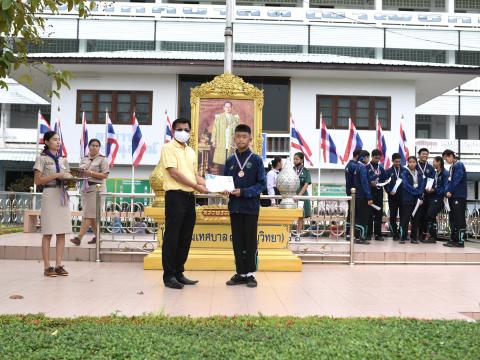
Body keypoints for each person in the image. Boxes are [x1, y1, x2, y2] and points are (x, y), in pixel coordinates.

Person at [159, 118, 208, 289]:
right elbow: (174, 173)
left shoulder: (191, 152)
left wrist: (212, 185)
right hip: (175, 196)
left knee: (185, 236)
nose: (183, 132)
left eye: (186, 130)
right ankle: (169, 275)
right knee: (172, 236)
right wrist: (197, 186)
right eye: (179, 129)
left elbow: (195, 175)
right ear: (173, 131)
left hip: (189, 197)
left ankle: (179, 272)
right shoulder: (168, 148)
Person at [223, 124, 266, 288]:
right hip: (234, 207)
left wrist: (244, 192)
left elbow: (261, 184)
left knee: (250, 241)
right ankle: (240, 273)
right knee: (238, 241)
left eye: (244, 137)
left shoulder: (256, 160)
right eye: (238, 136)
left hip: (250, 207)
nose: (241, 139)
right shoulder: (230, 161)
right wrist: (223, 190)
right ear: (234, 138)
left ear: (250, 139)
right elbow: (225, 182)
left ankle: (251, 274)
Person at [33, 131, 73, 277]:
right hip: (49, 194)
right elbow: (38, 181)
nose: (58, 142)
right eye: (55, 139)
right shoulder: (41, 159)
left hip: (62, 194)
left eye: (59, 139)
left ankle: (58, 265)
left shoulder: (63, 160)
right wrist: (56, 175)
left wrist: (71, 180)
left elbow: (67, 177)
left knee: (62, 231)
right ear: (47, 142)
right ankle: (47, 266)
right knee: (48, 232)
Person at [70, 139, 109, 246]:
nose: (94, 147)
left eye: (97, 146)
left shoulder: (102, 159)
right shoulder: (84, 159)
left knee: (89, 214)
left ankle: (79, 237)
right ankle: (98, 237)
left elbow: (105, 175)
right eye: (92, 145)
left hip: (97, 188)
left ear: (99, 148)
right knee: (92, 215)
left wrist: (90, 173)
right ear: (89, 146)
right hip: (85, 188)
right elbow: (80, 173)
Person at [443, 149, 467, 248]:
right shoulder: (452, 167)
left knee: (459, 219)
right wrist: (446, 192)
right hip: (452, 196)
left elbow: (456, 180)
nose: (445, 161)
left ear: (451, 156)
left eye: (446, 159)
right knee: (452, 218)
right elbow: (449, 181)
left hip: (459, 196)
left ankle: (460, 241)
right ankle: (454, 239)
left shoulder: (459, 165)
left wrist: (450, 191)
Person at [399, 156, 425, 244]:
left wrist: (419, 193)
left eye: (414, 162)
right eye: (410, 162)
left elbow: (422, 185)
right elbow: (406, 186)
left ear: (416, 163)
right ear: (407, 163)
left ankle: (414, 238)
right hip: (407, 199)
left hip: (417, 201)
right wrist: (417, 192)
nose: (412, 163)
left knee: (416, 220)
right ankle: (402, 237)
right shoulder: (404, 173)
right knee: (405, 219)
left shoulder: (420, 173)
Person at [423, 156, 449, 243]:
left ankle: (433, 236)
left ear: (439, 162)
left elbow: (446, 187)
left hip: (440, 198)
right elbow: (433, 184)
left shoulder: (445, 173)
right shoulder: (434, 173)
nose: (433, 163)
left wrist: (435, 190)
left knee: (429, 215)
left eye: (434, 161)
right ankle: (432, 236)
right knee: (430, 216)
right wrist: (429, 188)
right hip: (432, 197)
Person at [211, 101, 240, 169]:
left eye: (229, 107)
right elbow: (215, 129)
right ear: (224, 108)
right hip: (221, 141)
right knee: (221, 163)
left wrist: (237, 142)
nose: (228, 108)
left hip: (231, 142)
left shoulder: (235, 118)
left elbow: (237, 131)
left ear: (231, 108)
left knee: (230, 161)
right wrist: (213, 141)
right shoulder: (219, 117)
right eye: (226, 107)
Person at [367, 149, 387, 241]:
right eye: (376, 158)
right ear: (372, 156)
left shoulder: (381, 168)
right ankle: (369, 234)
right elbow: (364, 180)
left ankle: (378, 234)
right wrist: (370, 183)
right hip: (370, 194)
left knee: (379, 215)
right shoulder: (366, 167)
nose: (377, 160)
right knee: (369, 215)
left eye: (379, 158)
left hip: (379, 194)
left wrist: (383, 182)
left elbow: (384, 179)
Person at [353, 150, 372, 244]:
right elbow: (364, 183)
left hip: (357, 195)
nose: (369, 159)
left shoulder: (357, 166)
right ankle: (361, 237)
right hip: (363, 195)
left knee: (358, 217)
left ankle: (357, 236)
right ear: (364, 157)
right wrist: (369, 196)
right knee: (363, 217)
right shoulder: (363, 167)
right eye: (368, 157)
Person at [416, 148, 435, 240]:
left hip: (427, 195)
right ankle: (415, 234)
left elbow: (432, 180)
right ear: (419, 154)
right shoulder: (415, 165)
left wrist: (429, 189)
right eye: (423, 154)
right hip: (416, 195)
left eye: (426, 154)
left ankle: (423, 235)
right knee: (416, 215)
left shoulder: (431, 168)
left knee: (424, 215)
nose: (425, 155)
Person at [384, 153, 404, 240]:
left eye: (399, 161)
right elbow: (385, 184)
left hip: (403, 197)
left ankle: (402, 233)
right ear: (392, 161)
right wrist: (389, 191)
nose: (398, 163)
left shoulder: (404, 170)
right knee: (393, 216)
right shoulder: (388, 171)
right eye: (396, 161)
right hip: (392, 197)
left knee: (403, 216)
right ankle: (394, 234)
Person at [294, 152, 312, 240]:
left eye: (297, 159)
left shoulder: (306, 171)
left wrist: (299, 195)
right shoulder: (291, 170)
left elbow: (306, 184)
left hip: (302, 196)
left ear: (301, 160)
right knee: (289, 214)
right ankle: (289, 234)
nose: (295, 161)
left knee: (300, 215)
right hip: (292, 196)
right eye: (294, 159)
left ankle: (298, 233)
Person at [345, 148, 362, 239]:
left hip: (351, 191)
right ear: (358, 156)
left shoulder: (350, 165)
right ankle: (350, 233)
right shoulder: (353, 166)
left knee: (351, 212)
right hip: (354, 192)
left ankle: (349, 232)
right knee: (353, 213)